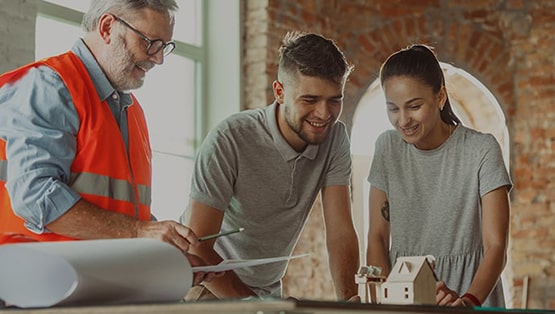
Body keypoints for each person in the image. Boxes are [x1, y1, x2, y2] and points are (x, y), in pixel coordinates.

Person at [0, 0, 214, 284]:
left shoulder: (130, 109)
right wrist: (140, 231)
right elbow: (35, 197)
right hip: (35, 287)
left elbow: (120, 210)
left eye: (165, 46)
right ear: (107, 28)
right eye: (150, 42)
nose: (159, 58)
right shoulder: (50, 87)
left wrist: (164, 251)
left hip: (94, 287)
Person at [180, 31, 360, 300]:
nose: (324, 114)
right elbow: (198, 247)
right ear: (279, 92)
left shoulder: (335, 139)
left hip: (266, 292)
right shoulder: (230, 138)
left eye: (335, 100)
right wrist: (255, 305)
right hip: (204, 284)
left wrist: (349, 302)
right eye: (309, 100)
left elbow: (340, 232)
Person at [366, 44, 512, 307]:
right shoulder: (386, 148)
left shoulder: (482, 150)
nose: (403, 120)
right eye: (393, 108)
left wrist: (468, 301)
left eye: (414, 106)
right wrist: (387, 301)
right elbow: (377, 236)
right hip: (405, 300)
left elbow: (496, 247)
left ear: (440, 97)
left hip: (472, 295)